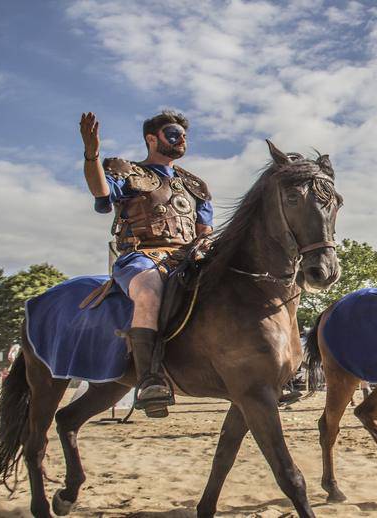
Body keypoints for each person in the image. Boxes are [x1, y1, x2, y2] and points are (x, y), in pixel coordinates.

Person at [79, 110, 213, 418]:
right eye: (173, 134)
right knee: (150, 290)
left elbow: (205, 231)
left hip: (187, 257)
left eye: (184, 135)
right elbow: (101, 192)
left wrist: (205, 247)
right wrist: (91, 154)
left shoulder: (196, 185)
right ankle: (149, 379)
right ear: (152, 139)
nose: (182, 140)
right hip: (141, 256)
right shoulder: (126, 171)